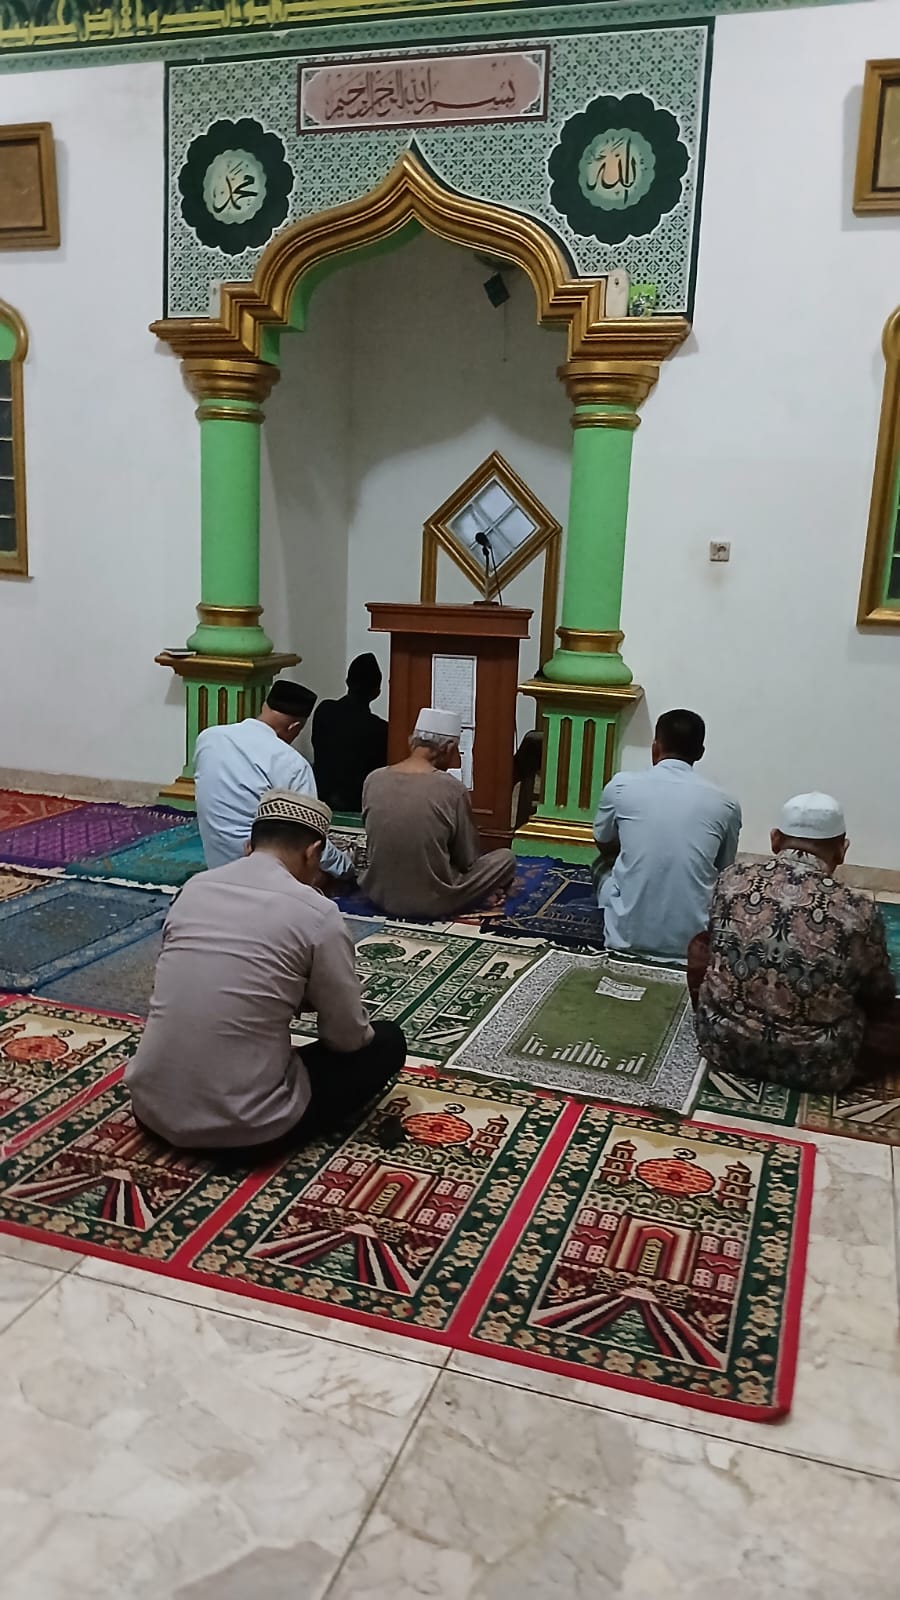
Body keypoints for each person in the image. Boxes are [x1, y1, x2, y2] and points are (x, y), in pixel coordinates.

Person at [126, 791, 406, 1154]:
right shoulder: (316, 913)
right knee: (387, 1042)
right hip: (247, 1129)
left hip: (150, 1111)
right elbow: (347, 1038)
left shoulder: (193, 889)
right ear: (313, 853)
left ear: (249, 847)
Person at [691, 792, 899, 1094]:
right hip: (818, 1066)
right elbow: (879, 994)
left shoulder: (731, 879)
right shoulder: (859, 909)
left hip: (722, 1045)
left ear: (775, 840)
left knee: (700, 945)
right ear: (842, 850)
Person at [593, 709, 741, 960]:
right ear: (700, 752)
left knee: (601, 865)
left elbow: (602, 841)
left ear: (655, 747)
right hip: (692, 947)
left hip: (626, 940)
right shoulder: (726, 803)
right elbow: (725, 869)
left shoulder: (621, 785)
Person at [360, 706, 517, 919]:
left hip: (379, 895)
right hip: (433, 902)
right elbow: (467, 859)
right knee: (506, 859)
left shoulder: (373, 779)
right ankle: (481, 895)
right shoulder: (451, 788)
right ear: (448, 748)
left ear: (411, 742)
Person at [193, 678, 352, 880]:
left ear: (264, 707)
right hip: (263, 876)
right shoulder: (292, 763)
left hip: (216, 866)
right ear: (294, 726)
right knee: (321, 869)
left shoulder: (208, 738)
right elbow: (310, 835)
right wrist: (346, 866)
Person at [311, 652, 389, 813]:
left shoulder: (324, 711)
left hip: (319, 801)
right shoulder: (380, 729)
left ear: (347, 681)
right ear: (377, 692)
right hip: (357, 806)